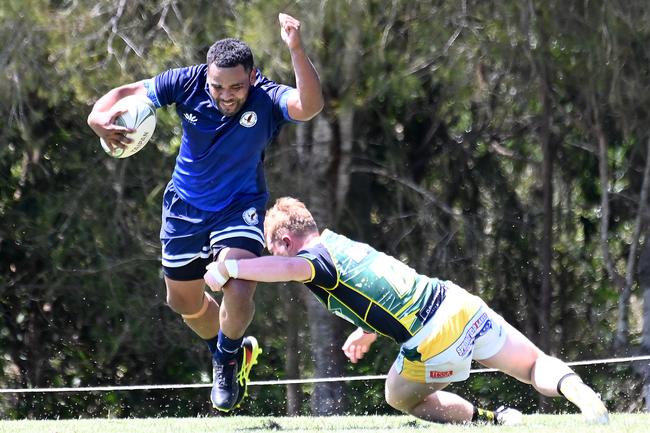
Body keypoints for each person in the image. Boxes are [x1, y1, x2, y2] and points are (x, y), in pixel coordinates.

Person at [87, 14, 323, 412]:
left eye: (236, 87)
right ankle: (230, 346)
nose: (226, 95)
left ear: (251, 76)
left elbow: (309, 106)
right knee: (184, 304)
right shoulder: (186, 82)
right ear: (207, 77)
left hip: (239, 207)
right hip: (183, 208)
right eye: (217, 86)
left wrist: (296, 50)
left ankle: (225, 359)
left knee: (239, 281)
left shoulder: (266, 96)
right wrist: (96, 118)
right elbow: (128, 92)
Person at [204, 197, 610, 425]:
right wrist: (367, 330)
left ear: (286, 240)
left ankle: (492, 419)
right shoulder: (342, 244)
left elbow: (292, 268)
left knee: (397, 395)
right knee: (534, 364)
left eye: (271, 248)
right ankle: (585, 398)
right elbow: (382, 286)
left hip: (432, 337)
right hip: (458, 303)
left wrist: (230, 267)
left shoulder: (310, 258)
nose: (271, 257)